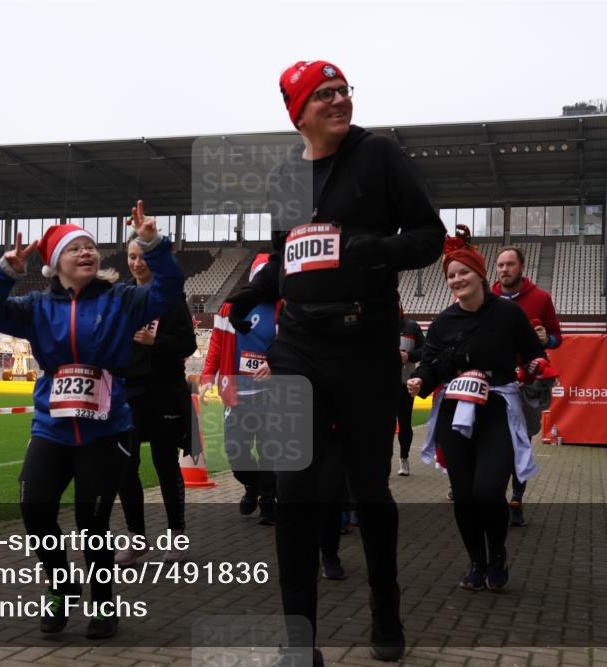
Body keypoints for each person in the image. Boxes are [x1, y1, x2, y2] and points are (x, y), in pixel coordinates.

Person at [226, 60, 446, 664]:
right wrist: (253, 289)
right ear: (297, 111)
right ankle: (300, 641)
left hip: (365, 346)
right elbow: (283, 256)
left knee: (369, 488)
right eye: (323, 94)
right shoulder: (282, 179)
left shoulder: (378, 155)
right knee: (295, 488)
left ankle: (386, 609)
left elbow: (429, 236)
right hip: (296, 347)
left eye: (343, 90)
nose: (338, 100)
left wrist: (372, 248)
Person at [0, 202, 182, 640]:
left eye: (90, 247)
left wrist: (151, 244)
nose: (87, 253)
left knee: (93, 523)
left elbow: (168, 290)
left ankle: (104, 602)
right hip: (52, 427)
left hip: (106, 430)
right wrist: (5, 271)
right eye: (75, 248)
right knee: (35, 511)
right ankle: (62, 585)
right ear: (55, 264)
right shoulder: (34, 307)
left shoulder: (122, 300)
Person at [408, 226, 554, 593]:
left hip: (497, 411)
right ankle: (476, 560)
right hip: (456, 413)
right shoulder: (443, 321)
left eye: (463, 273)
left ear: (480, 274)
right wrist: (419, 381)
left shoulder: (507, 314)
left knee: (488, 491)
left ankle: (497, 553)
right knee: (464, 494)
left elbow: (533, 353)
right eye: (451, 275)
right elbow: (430, 363)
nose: (457, 280)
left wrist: (536, 364)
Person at [115, 232, 197, 566]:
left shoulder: (170, 296)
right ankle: (137, 538)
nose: (136, 263)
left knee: (165, 464)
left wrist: (155, 341)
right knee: (125, 465)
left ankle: (177, 535)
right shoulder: (122, 296)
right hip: (130, 393)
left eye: (142, 257)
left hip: (165, 393)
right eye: (132, 256)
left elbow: (188, 345)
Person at [200, 254, 280, 525]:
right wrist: (208, 375)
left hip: (272, 394)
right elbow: (217, 345)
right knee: (236, 451)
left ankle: (268, 504)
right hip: (237, 394)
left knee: (270, 450)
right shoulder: (228, 309)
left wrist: (274, 363)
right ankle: (252, 485)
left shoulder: (286, 308)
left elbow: (293, 345)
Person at [493, 246, 562, 526]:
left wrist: (547, 340)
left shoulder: (541, 298)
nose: (504, 270)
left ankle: (517, 497)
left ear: (521, 267)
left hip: (528, 384)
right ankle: (492, 494)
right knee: (494, 441)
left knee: (521, 441)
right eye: (500, 265)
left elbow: (558, 338)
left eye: (509, 264)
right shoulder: (488, 298)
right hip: (495, 381)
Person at [395, 303, 425, 476]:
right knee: (383, 426)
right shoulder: (380, 327)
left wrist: (409, 356)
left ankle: (404, 458)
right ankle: (383, 463)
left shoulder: (412, 326)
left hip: (406, 383)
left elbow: (426, 349)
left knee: (405, 423)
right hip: (385, 385)